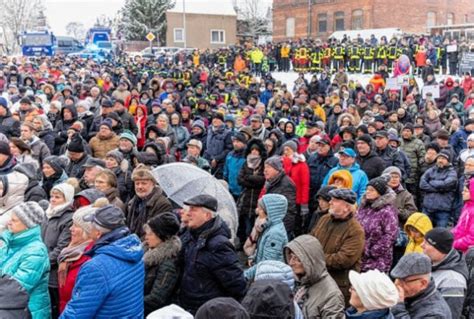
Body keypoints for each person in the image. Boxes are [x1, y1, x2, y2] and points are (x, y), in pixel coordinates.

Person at [61, 205, 144, 318]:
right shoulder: (135, 252)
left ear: (98, 233)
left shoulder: (95, 267)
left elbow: (77, 313)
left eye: (92, 227)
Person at [178, 194, 246, 314]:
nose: (188, 213)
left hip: (208, 310)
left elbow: (236, 284)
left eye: (193, 210)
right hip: (187, 305)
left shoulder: (218, 245)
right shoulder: (189, 235)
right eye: (189, 209)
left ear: (207, 215)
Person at [312, 188, 365, 302]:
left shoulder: (355, 231)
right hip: (317, 279)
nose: (330, 202)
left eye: (335, 200)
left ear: (347, 207)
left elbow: (343, 260)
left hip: (338, 286)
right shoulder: (324, 219)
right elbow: (311, 239)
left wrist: (314, 258)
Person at [0, 202, 50, 318]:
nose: (9, 222)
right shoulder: (10, 243)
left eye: (14, 220)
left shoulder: (36, 251)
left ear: (28, 225)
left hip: (27, 311)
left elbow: (17, 287)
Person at [284, 235, 345, 318]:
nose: (291, 263)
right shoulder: (299, 280)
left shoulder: (332, 295)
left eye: (297, 259)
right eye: (290, 257)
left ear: (309, 260)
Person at [41, 183, 75, 318]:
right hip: (42, 269)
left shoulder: (69, 218)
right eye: (52, 196)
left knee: (54, 307)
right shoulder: (48, 214)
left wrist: (43, 263)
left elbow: (62, 247)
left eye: (58, 197)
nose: (53, 200)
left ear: (67, 199)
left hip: (53, 274)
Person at [422, 228, 468, 319]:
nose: (421, 245)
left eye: (427, 243)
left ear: (439, 248)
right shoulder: (434, 264)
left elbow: (450, 315)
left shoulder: (453, 280)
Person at [356, 175, 399, 273]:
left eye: (371, 190)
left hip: (378, 260)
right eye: (367, 189)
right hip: (359, 256)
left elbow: (390, 236)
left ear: (380, 193)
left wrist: (372, 251)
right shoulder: (363, 207)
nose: (367, 192)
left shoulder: (387, 211)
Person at [58, 205, 95, 314]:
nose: (71, 229)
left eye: (76, 226)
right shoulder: (70, 251)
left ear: (88, 231)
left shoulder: (90, 257)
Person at [390, 253, 452, 318]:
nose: (397, 284)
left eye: (403, 281)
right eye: (397, 278)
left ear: (423, 283)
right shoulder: (411, 295)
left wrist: (398, 308)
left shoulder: (436, 314)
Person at [143, 212, 181, 315]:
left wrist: (129, 303)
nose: (146, 237)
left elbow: (156, 299)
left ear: (162, 236)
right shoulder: (146, 251)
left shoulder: (169, 264)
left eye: (150, 234)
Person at [244, 194, 288, 279]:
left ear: (270, 212)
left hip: (268, 278)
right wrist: (253, 257)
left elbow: (266, 264)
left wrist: (245, 275)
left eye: (260, 209)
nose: (257, 211)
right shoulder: (268, 227)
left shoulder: (275, 234)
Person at [126, 165, 172, 238]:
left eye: (144, 183)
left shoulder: (162, 204)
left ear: (153, 184)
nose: (140, 187)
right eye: (137, 183)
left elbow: (158, 234)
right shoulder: (132, 203)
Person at [237, 138, 267, 244]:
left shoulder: (263, 164)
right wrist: (253, 180)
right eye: (252, 149)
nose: (254, 152)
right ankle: (243, 243)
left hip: (257, 198)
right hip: (246, 198)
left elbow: (262, 180)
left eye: (256, 150)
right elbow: (240, 179)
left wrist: (248, 177)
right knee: (245, 224)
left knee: (254, 226)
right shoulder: (246, 163)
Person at [259, 156, 297, 238]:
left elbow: (289, 210)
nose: (265, 170)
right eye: (265, 167)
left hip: (280, 228)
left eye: (268, 167)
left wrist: (283, 230)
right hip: (270, 224)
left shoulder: (287, 184)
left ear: (277, 169)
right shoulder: (270, 182)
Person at [420, 150, 458, 227]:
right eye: (439, 158)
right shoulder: (431, 170)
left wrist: (431, 182)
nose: (440, 160)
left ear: (448, 161)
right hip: (428, 208)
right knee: (424, 231)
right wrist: (438, 188)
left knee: (441, 235)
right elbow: (422, 184)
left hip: (442, 210)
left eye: (443, 158)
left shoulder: (452, 173)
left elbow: (445, 184)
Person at [223, 132, 247, 200]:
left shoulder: (247, 156)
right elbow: (226, 171)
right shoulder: (230, 155)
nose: (235, 144)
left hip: (242, 191)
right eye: (234, 141)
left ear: (244, 143)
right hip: (230, 190)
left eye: (238, 141)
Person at [452, 180, 474, 253]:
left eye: (466, 191)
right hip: (460, 249)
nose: (462, 193)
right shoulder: (467, 206)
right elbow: (459, 228)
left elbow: (472, 238)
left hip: (467, 254)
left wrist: (452, 244)